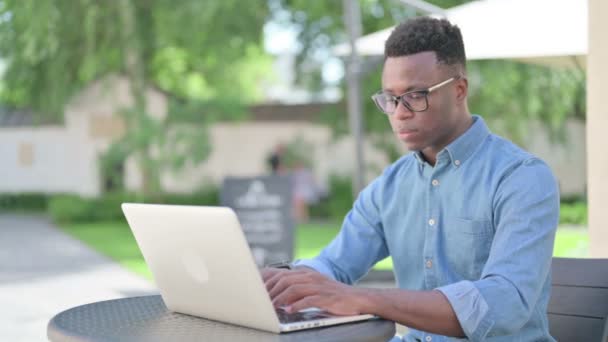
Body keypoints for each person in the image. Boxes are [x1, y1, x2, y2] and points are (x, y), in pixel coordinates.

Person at [262, 17, 559, 341]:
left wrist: (364, 299)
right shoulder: (390, 187)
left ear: (459, 89)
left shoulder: (522, 178)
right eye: (390, 98)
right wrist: (282, 282)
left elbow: (503, 305)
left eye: (416, 95)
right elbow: (333, 265)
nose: (399, 112)